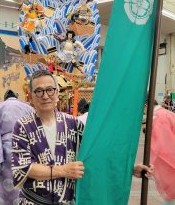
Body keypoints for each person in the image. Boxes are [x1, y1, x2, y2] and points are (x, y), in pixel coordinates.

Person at [11, 70, 153, 204]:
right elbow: (23, 167)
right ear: (31, 96)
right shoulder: (23, 126)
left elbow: (96, 154)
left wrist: (129, 169)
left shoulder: (72, 123)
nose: (45, 95)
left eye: (49, 89)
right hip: (33, 201)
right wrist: (63, 170)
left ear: (57, 92)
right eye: (39, 91)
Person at [0, 89, 34, 205]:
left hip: (7, 152)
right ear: (16, 97)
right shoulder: (28, 108)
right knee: (27, 184)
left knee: (8, 187)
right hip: (27, 150)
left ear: (5, 98)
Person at [145, 99, 175, 205]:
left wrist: (150, 165)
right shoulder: (167, 113)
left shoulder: (157, 117)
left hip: (171, 171)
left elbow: (162, 149)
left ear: (145, 106)